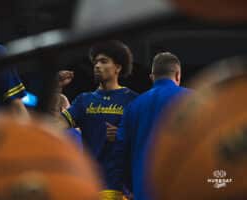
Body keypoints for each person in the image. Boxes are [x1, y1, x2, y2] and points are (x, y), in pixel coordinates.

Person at [60, 40, 138, 198]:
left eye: (103, 61)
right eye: (95, 62)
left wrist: (123, 135)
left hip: (122, 189)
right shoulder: (84, 100)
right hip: (90, 187)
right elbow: (52, 125)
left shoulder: (132, 100)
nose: (97, 66)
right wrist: (56, 87)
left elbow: (146, 140)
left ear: (118, 67)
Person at [112, 52, 192, 200]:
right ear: (178, 74)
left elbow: (120, 152)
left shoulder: (133, 106)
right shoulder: (196, 100)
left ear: (152, 77)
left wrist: (131, 187)